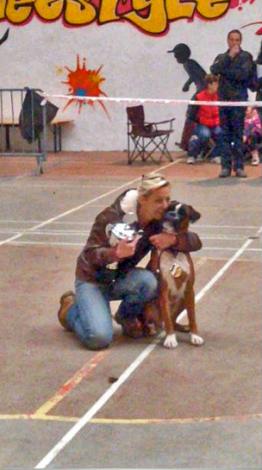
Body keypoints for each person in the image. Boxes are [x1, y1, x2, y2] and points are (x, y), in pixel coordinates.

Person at [57, 173, 202, 350]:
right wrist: (115, 253)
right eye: (159, 201)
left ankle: (126, 317)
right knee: (99, 338)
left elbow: (195, 241)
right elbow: (89, 255)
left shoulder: (159, 219)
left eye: (167, 199)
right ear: (142, 199)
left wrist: (173, 241)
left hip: (120, 278)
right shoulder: (111, 218)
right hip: (92, 281)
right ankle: (70, 310)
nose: (165, 206)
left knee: (149, 281)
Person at [210, 29, 255, 178]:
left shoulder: (246, 56)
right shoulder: (222, 57)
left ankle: (239, 167)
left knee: (237, 135)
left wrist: (225, 71)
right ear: (227, 41)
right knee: (224, 135)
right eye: (231, 39)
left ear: (240, 41)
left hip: (238, 101)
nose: (234, 42)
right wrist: (229, 58)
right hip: (223, 100)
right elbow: (214, 70)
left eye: (237, 40)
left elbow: (242, 75)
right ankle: (225, 167)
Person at [186, 74, 222, 164]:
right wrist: (199, 121)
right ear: (209, 85)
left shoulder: (220, 96)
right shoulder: (198, 97)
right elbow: (191, 114)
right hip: (202, 124)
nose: (217, 86)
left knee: (222, 133)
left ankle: (215, 155)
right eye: (215, 84)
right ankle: (192, 155)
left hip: (215, 124)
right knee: (204, 134)